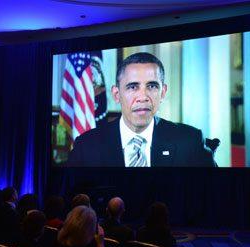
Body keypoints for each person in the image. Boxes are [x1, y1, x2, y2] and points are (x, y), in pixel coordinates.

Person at [68, 52, 216, 167]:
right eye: (133, 87)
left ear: (163, 92)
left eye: (151, 86)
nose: (143, 97)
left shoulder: (190, 141)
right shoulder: (86, 146)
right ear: (116, 94)